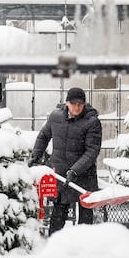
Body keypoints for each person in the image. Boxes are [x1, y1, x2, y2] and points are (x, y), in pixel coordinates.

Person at [29, 87, 102, 233]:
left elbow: (92, 151)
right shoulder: (55, 117)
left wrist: (75, 170)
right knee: (58, 213)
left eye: (80, 104)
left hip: (84, 176)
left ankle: (83, 249)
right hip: (61, 174)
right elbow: (44, 136)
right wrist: (35, 156)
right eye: (74, 103)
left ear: (84, 104)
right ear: (67, 103)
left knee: (85, 216)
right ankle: (55, 246)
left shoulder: (92, 122)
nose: (77, 107)